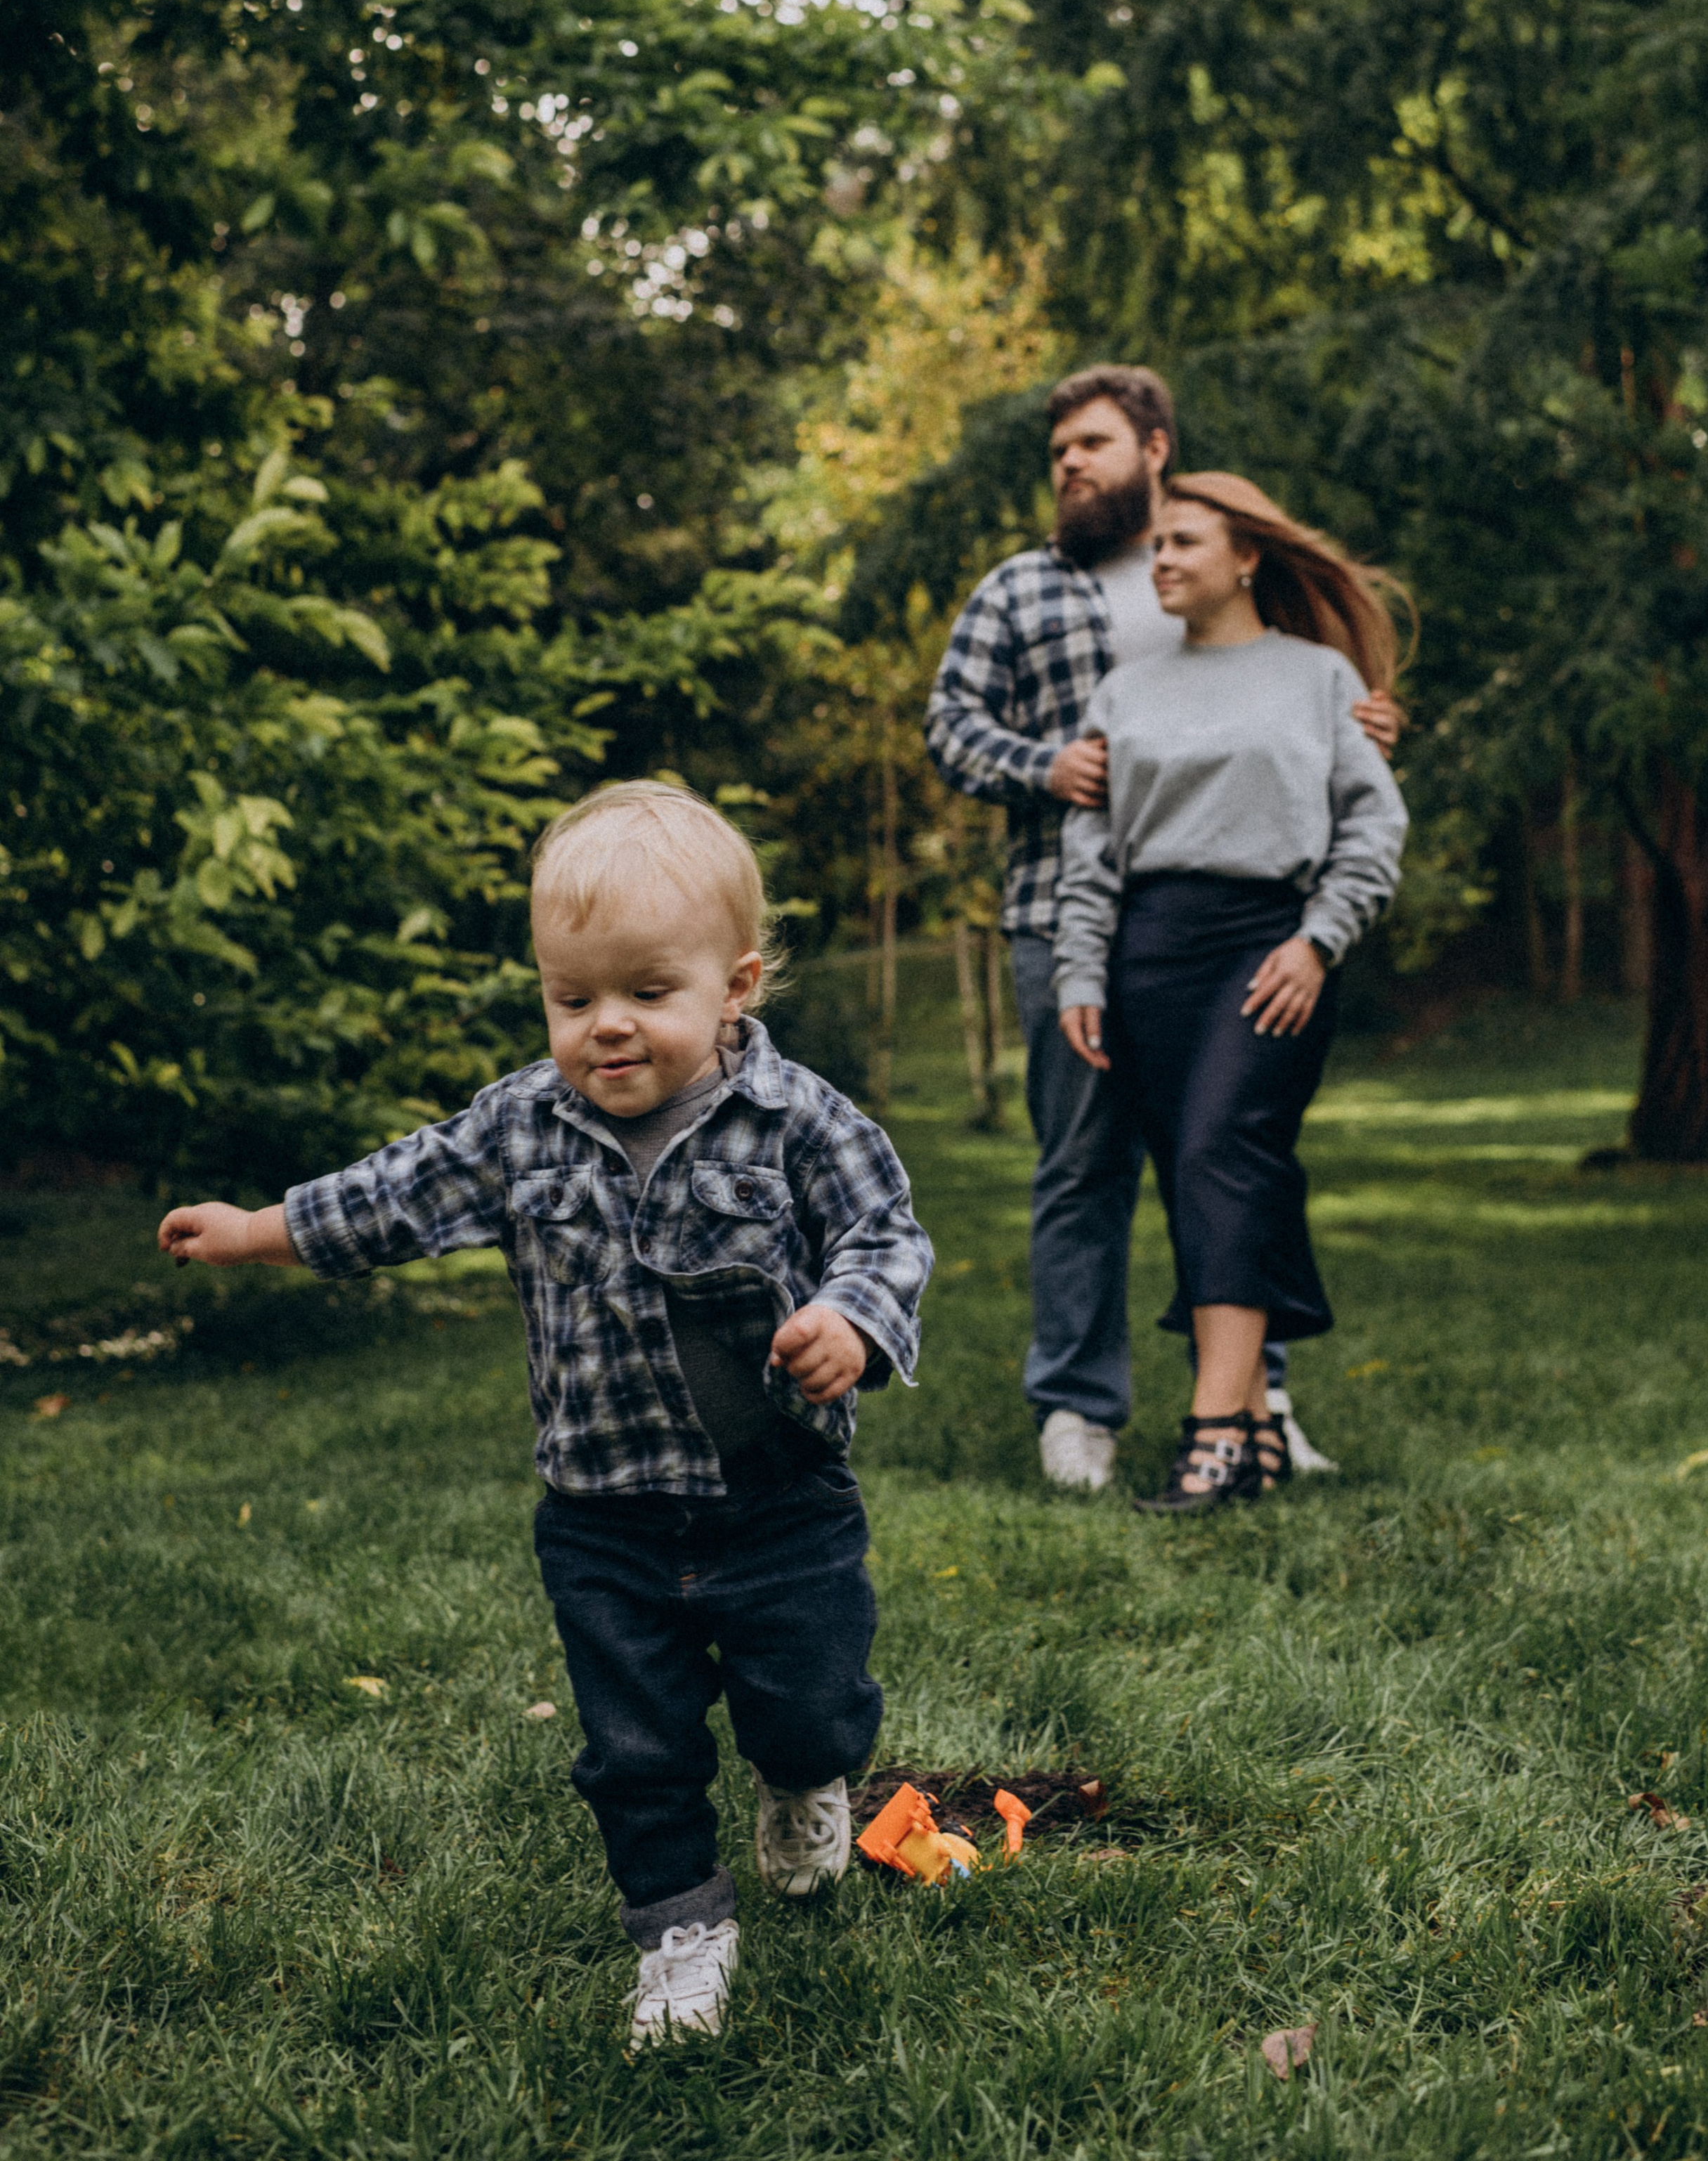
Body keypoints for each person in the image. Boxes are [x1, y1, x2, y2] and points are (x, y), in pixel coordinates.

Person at [157, 782, 933, 2047]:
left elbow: (884, 1232)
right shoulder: (524, 1125)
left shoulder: (799, 1123)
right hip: (604, 1518)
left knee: (813, 1702)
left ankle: (805, 1780)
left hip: (780, 1500)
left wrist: (849, 1320)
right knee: (634, 1744)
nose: (605, 1029)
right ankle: (681, 1932)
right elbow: (399, 1192)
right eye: (573, 999)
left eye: (646, 993)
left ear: (734, 985)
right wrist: (260, 1231)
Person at [925, 367, 1397, 1492]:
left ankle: (1255, 1401)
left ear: (1155, 449)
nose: (1070, 467)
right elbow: (948, 729)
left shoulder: (1228, 582)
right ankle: (1080, 1409)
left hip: (1244, 924)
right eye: (1058, 454)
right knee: (1086, 1167)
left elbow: (1309, 723)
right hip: (1071, 923)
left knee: (1228, 1153)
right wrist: (1045, 765)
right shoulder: (1019, 593)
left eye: (1092, 444)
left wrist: (1367, 719)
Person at [1053, 474, 1409, 1512]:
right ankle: (1252, 1428)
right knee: (1208, 1175)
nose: (1159, 559)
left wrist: (1318, 941)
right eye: (1155, 544)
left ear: (1246, 557)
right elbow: (1093, 850)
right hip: (1148, 951)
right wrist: (1082, 970)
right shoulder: (1125, 689)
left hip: (1268, 946)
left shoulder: (1319, 677)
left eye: (1183, 541)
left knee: (1221, 1149)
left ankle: (1211, 1435)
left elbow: (1373, 826)